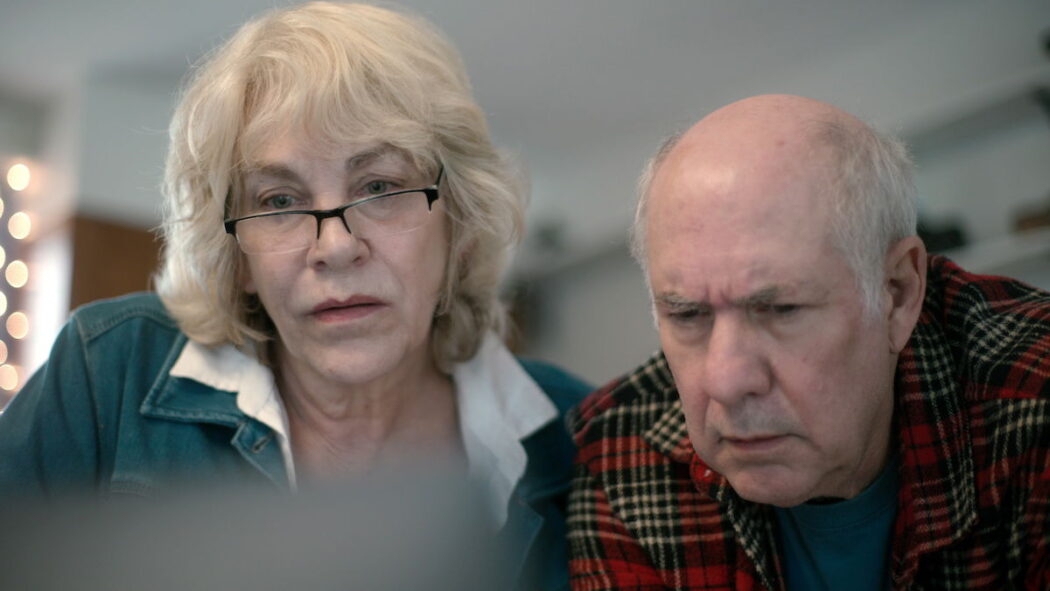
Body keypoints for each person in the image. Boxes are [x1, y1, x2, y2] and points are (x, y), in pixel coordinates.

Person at [0, 3, 588, 590]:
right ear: (238, 257)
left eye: (379, 186)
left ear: (458, 224)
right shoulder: (111, 371)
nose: (335, 246)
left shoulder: (581, 435)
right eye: (279, 201)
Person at [567, 94, 1050, 590]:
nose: (726, 381)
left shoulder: (1032, 401)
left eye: (781, 309)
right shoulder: (619, 448)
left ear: (898, 293)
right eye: (687, 314)